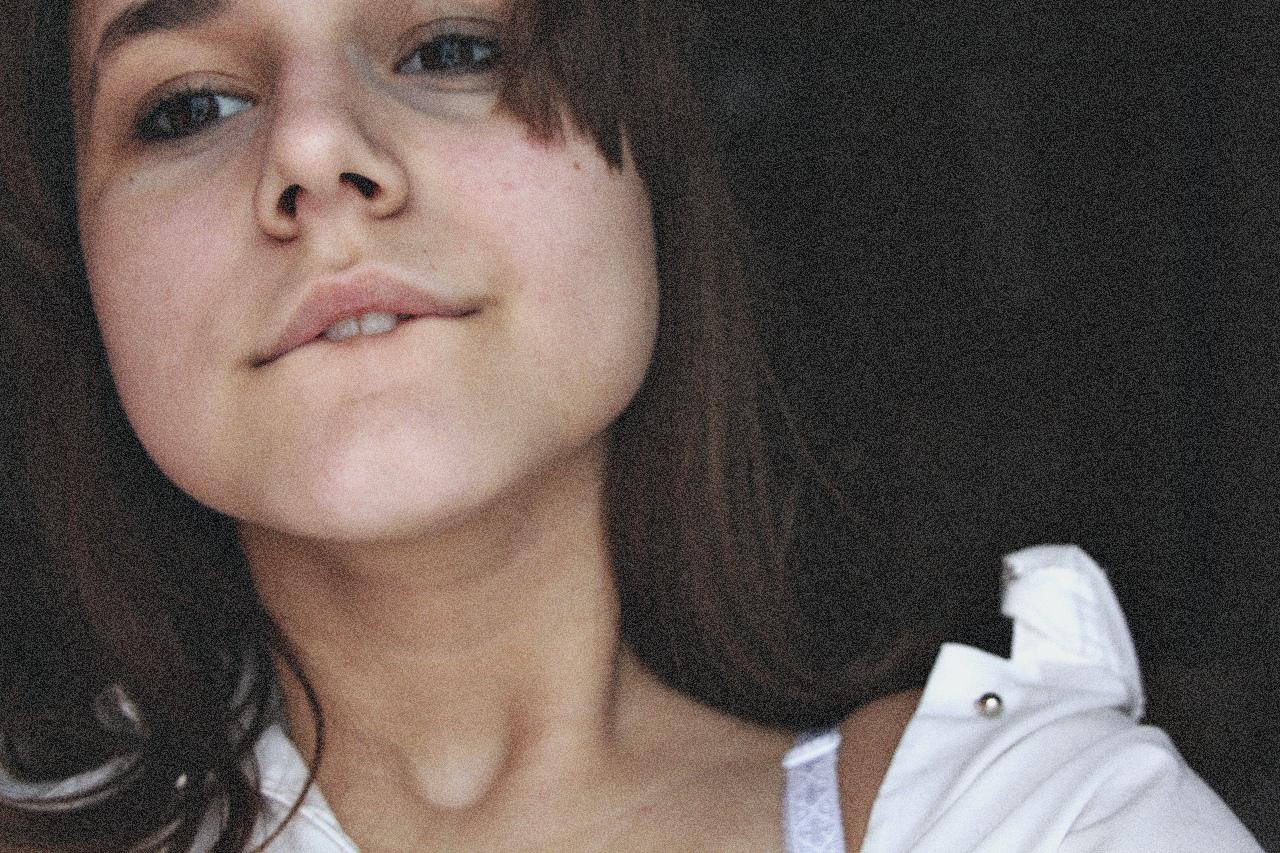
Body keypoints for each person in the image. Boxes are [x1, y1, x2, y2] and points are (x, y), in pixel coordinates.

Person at [0, 1, 1263, 851]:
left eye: (451, 48)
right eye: (186, 108)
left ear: (648, 169)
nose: (317, 149)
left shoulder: (1040, 822)